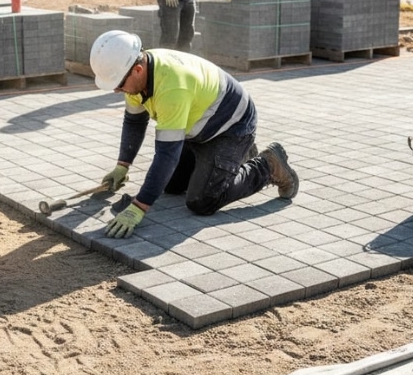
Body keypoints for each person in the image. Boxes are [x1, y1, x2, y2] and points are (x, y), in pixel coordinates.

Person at [90, 30, 298, 239]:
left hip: (231, 127)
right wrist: (122, 166)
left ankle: (268, 165)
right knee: (170, 185)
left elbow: (167, 155)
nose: (117, 91)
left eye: (119, 85)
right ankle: (233, 159)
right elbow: (134, 123)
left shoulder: (172, 88)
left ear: (137, 69)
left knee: (203, 200)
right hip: (198, 128)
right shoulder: (138, 76)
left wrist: (139, 207)